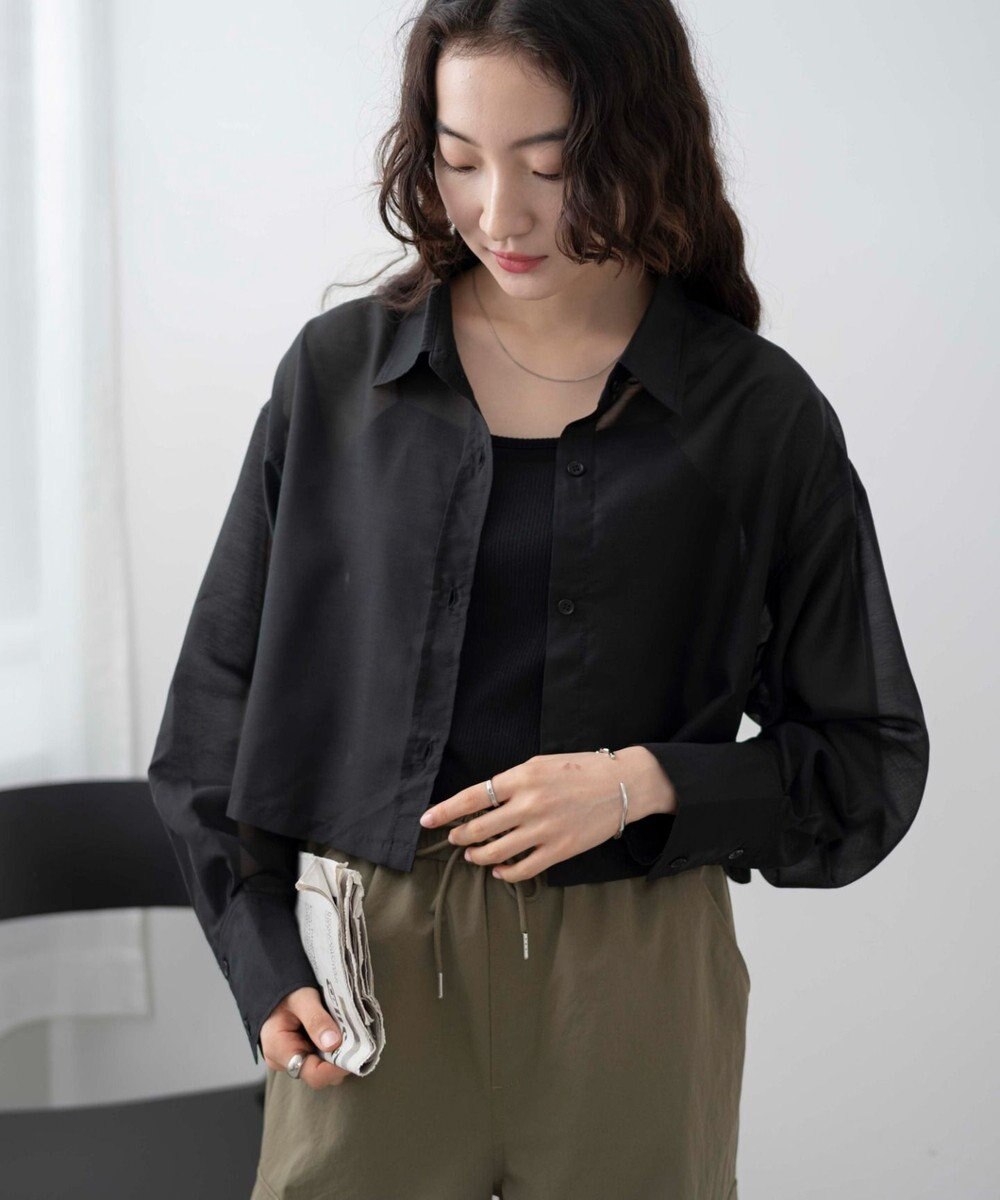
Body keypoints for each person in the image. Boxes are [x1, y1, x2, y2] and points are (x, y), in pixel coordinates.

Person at [146, 2, 930, 1197]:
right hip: (361, 969)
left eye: (551, 166)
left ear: (643, 146)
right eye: (460, 160)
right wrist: (262, 959)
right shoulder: (339, 379)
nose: (499, 214)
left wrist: (641, 781)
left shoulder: (754, 416)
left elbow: (868, 764)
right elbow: (214, 712)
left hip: (634, 977)